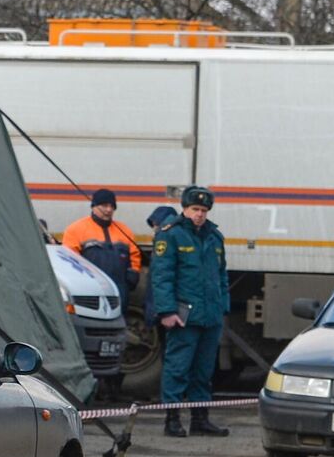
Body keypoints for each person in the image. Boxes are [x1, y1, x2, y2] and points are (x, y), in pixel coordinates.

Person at [151, 186, 232, 437]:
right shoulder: (171, 235)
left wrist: (223, 307)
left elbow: (221, 276)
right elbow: (162, 276)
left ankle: (200, 419)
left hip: (210, 316)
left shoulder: (214, 237)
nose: (199, 214)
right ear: (184, 209)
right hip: (184, 315)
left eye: (204, 210)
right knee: (177, 368)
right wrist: (166, 311)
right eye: (195, 209)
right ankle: (172, 420)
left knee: (204, 370)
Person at [62, 188, 141, 296]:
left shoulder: (124, 230)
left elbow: (134, 255)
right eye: (104, 205)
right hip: (88, 288)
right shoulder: (75, 229)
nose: (108, 210)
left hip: (119, 289)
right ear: (93, 206)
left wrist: (133, 272)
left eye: (112, 206)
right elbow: (68, 259)